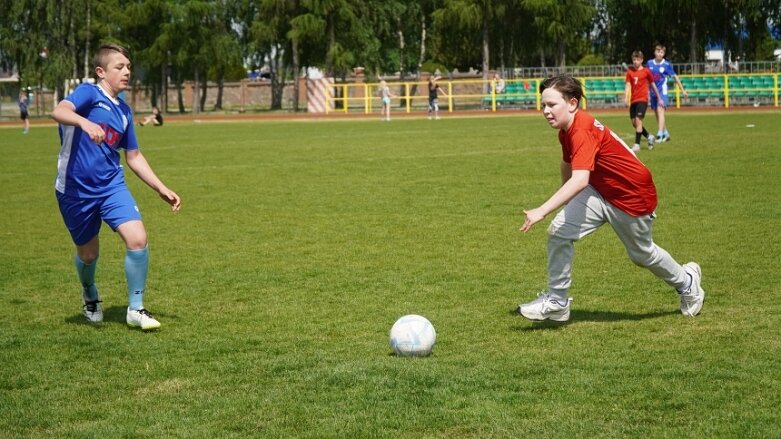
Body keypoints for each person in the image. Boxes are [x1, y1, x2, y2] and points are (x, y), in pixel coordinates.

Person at [517, 74, 704, 322]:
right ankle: (557, 301)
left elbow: (580, 179)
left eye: (552, 105)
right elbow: (567, 165)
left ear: (572, 104)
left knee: (642, 255)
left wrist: (542, 209)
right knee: (559, 232)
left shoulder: (581, 129)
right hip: (599, 191)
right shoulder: (566, 130)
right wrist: (566, 200)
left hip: (631, 196)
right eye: (543, 105)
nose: (546, 111)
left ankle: (688, 282)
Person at [51, 44, 181, 330]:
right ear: (101, 71)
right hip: (75, 190)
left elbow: (133, 156)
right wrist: (84, 123)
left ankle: (136, 309)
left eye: (129, 67)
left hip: (111, 186)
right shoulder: (88, 94)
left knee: (137, 238)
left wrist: (161, 188)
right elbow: (59, 111)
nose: (126, 72)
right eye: (119, 67)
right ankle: (90, 295)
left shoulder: (124, 110)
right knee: (89, 254)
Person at [646, 43, 688, 143]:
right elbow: (646, 78)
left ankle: (659, 135)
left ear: (664, 54)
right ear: (654, 52)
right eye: (658, 51)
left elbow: (675, 77)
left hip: (662, 92)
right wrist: (647, 91)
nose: (659, 54)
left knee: (660, 111)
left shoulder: (666, 65)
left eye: (661, 52)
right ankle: (666, 133)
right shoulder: (649, 63)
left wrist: (682, 90)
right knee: (657, 113)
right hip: (653, 92)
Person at [625, 50, 661, 152]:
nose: (635, 61)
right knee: (634, 123)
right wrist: (626, 96)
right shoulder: (630, 72)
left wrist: (658, 96)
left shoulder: (646, 71)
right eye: (634, 59)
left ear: (641, 60)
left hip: (642, 100)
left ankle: (637, 145)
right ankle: (649, 137)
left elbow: (653, 84)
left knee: (638, 121)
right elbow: (628, 85)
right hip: (633, 101)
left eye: (637, 59)